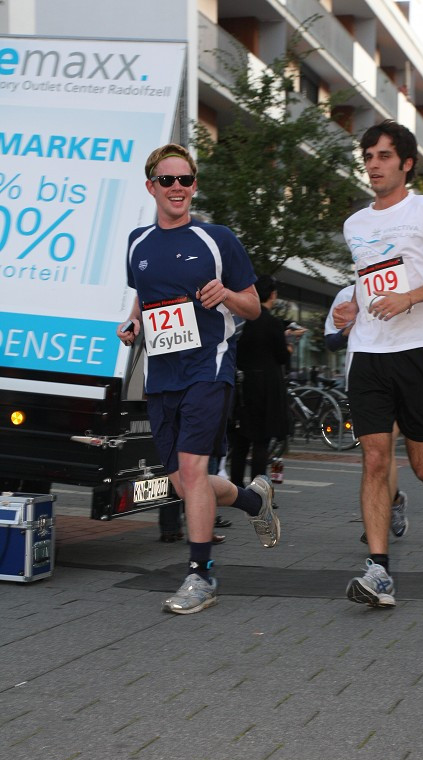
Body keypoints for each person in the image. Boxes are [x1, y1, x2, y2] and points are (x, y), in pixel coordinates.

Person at [117, 143, 280, 615]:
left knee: (192, 471)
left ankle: (201, 575)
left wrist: (227, 293)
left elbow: (252, 305)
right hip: (162, 373)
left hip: (209, 368)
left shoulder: (217, 239)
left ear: (194, 185)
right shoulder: (138, 243)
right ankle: (252, 501)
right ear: (152, 186)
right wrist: (133, 327)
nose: (177, 188)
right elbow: (143, 302)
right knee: (186, 483)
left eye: (185, 180)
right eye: (167, 180)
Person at [333, 120, 423, 609]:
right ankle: (379, 571)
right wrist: (352, 305)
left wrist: (410, 298)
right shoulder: (355, 224)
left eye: (383, 156)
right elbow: (368, 280)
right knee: (375, 458)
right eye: (368, 156)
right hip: (368, 354)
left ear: (406, 163)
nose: (373, 164)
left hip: (417, 351)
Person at [324, 284, 408, 541]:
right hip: (363, 379)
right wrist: (352, 326)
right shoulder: (345, 294)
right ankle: (392, 502)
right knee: (374, 455)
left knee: (386, 447)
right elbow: (331, 341)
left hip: (401, 377)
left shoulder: (404, 286)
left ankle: (377, 522)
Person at [229, 274, 298, 486]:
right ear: (273, 295)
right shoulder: (273, 323)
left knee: (240, 441)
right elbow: (281, 356)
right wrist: (289, 347)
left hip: (242, 386)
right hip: (267, 388)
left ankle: (236, 486)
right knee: (261, 441)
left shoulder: (241, 321)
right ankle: (258, 488)